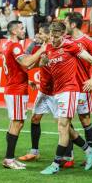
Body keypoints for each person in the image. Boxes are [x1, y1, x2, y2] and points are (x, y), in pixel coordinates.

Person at [39, 22, 92, 175]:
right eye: (51, 37)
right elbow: (43, 63)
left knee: (62, 126)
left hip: (70, 90)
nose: (53, 40)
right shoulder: (49, 47)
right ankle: (89, 150)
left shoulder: (71, 46)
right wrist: (43, 60)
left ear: (62, 35)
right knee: (65, 126)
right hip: (57, 91)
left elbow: (90, 58)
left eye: (56, 37)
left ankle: (55, 164)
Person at [1, 20, 46, 169]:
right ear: (14, 31)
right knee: (17, 123)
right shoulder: (15, 46)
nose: (23, 31)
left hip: (15, 88)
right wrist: (41, 50)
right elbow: (26, 63)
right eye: (21, 28)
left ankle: (10, 158)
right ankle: (9, 159)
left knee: (15, 122)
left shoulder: (8, 44)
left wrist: (39, 65)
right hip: (16, 90)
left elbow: (22, 66)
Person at [61, 12, 92, 168]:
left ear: (73, 24)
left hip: (82, 87)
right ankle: (68, 156)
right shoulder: (65, 40)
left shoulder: (88, 41)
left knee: (85, 121)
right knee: (66, 121)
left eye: (65, 22)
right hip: (67, 88)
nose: (63, 25)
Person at [18, 24, 54, 162]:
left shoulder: (56, 47)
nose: (38, 35)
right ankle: (34, 152)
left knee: (64, 124)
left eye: (40, 33)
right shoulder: (41, 47)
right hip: (44, 90)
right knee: (35, 119)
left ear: (48, 34)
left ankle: (73, 154)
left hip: (56, 92)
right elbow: (32, 63)